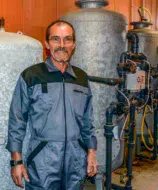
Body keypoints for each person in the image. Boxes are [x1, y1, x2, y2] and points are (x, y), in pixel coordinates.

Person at [6, 20, 98, 189]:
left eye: (67, 39)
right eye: (56, 39)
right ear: (47, 44)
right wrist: (16, 161)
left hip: (75, 160)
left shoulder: (81, 78)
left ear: (74, 44)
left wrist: (91, 152)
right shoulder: (31, 76)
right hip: (42, 161)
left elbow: (87, 121)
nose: (62, 45)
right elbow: (17, 120)